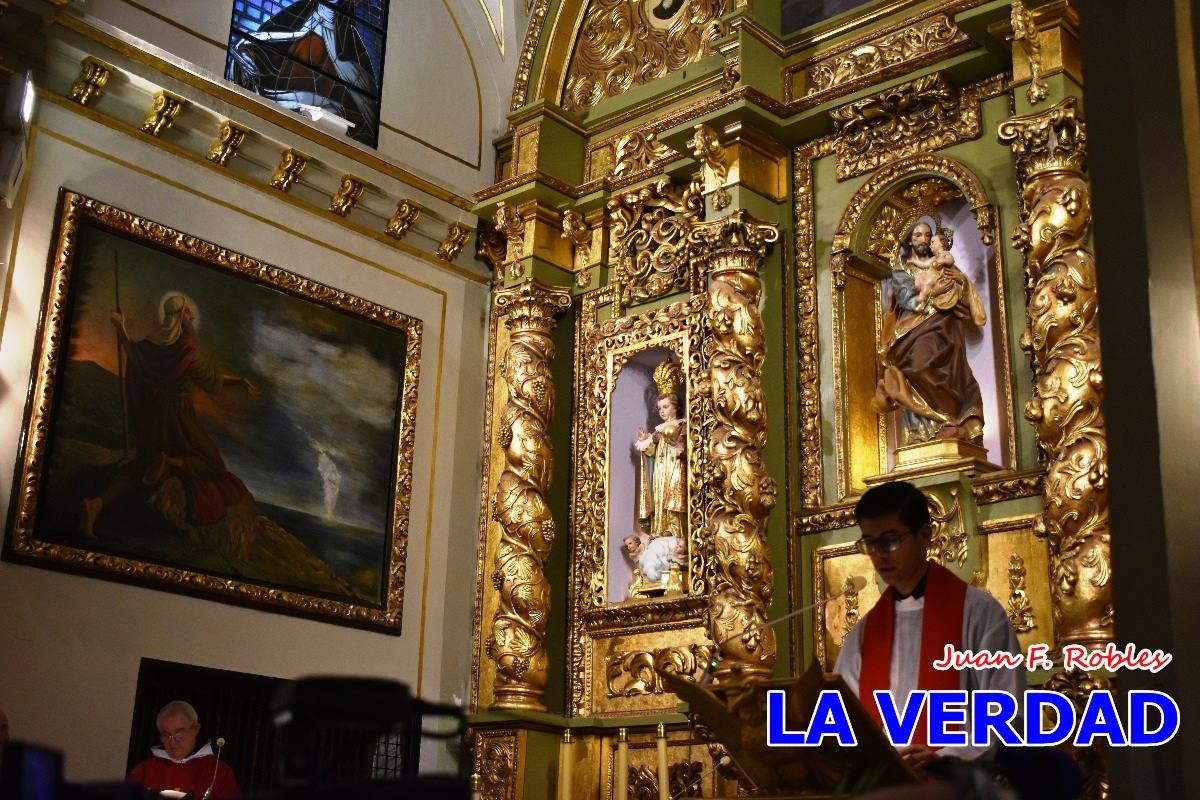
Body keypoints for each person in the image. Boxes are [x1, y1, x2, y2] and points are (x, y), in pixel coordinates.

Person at [835, 481, 1023, 771]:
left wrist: (945, 757)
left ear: (925, 535)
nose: (879, 554)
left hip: (957, 784)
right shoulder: (863, 635)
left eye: (891, 540)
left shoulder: (979, 614)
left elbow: (1005, 710)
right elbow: (842, 719)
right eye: (870, 543)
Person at [80, 293, 260, 561]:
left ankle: (95, 504)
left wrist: (121, 327)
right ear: (178, 317)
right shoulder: (186, 349)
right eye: (188, 313)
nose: (192, 317)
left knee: (143, 462)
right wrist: (239, 381)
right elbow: (209, 378)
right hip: (178, 418)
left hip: (153, 416)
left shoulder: (155, 343)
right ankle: (172, 463)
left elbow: (134, 355)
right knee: (212, 462)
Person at [873, 222, 988, 445]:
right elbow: (907, 298)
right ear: (909, 241)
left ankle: (951, 421)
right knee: (918, 366)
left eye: (927, 235)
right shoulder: (902, 270)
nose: (923, 239)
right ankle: (931, 425)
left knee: (954, 374)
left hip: (948, 327)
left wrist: (959, 281)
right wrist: (935, 291)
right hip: (915, 329)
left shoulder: (945, 265)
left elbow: (963, 293)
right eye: (917, 235)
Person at [128, 700, 239, 798]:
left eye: (179, 734)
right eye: (166, 735)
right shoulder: (144, 770)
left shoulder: (219, 772)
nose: (172, 742)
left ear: (195, 729)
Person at [634, 361, 687, 540]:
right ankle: (659, 529)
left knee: (673, 497)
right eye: (659, 408)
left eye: (666, 407)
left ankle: (675, 532)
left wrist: (675, 444)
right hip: (660, 469)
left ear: (676, 406)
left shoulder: (683, 425)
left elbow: (685, 450)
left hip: (675, 468)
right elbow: (651, 453)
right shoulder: (658, 429)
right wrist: (645, 443)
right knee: (659, 495)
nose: (662, 411)